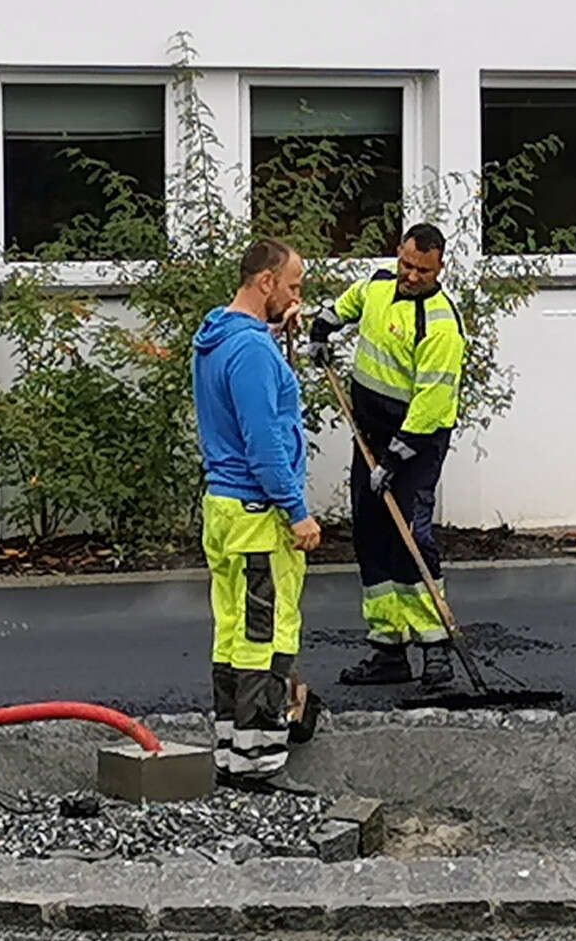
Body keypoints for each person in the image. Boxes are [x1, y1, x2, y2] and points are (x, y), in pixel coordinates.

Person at [310, 223, 468, 690]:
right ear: (398, 253)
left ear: (440, 268)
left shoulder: (439, 326)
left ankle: (435, 649)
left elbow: (432, 403)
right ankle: (388, 648)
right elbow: (347, 305)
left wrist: (394, 461)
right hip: (369, 437)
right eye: (407, 264)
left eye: (423, 270)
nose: (412, 276)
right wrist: (322, 328)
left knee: (410, 538)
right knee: (371, 534)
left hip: (414, 446)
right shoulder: (378, 285)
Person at [193, 239, 324, 787]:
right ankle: (259, 764)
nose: (297, 297)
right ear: (265, 281)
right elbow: (264, 441)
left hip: (225, 507)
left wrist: (274, 333)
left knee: (233, 632)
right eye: (292, 286)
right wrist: (296, 510)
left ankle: (232, 752)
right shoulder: (250, 352)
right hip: (257, 513)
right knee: (264, 637)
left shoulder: (218, 337)